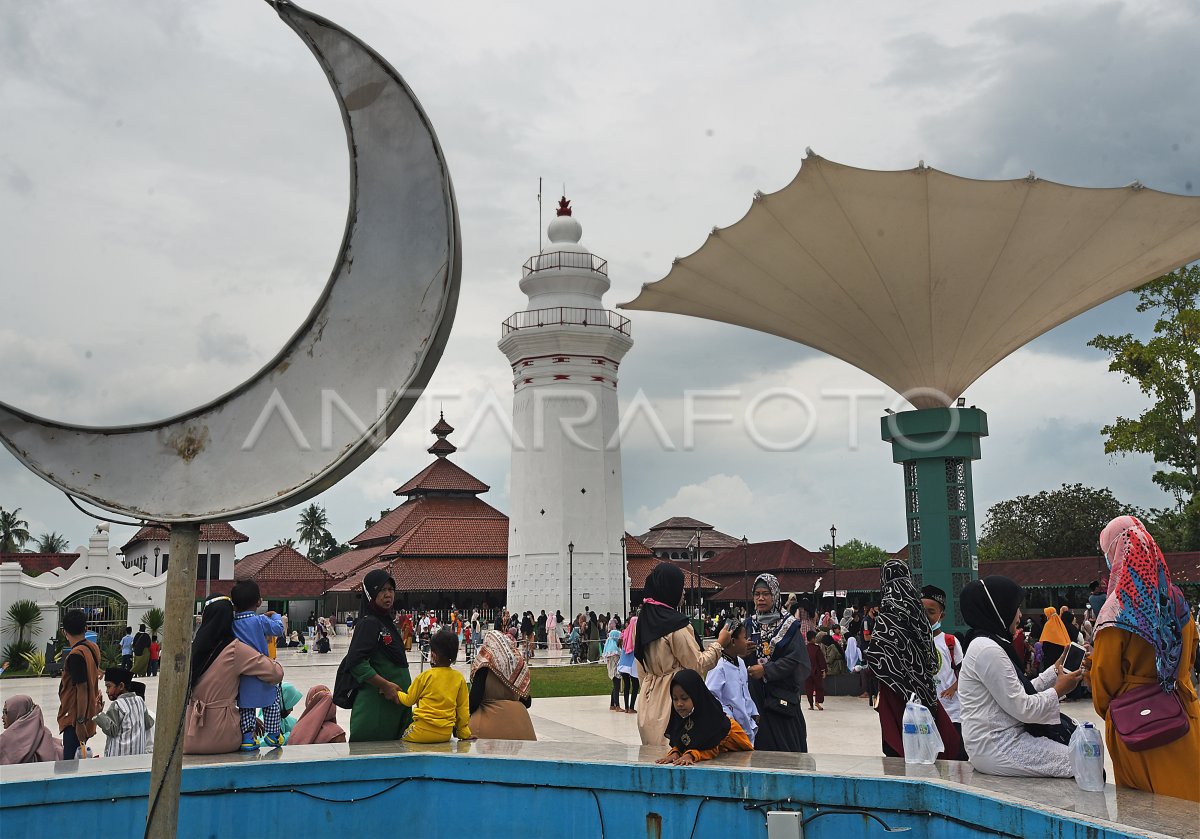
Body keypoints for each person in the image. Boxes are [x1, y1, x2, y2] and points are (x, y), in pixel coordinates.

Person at [1091, 515, 1199, 801]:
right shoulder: (1174, 600)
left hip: (1137, 726)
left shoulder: (1116, 612)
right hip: (1182, 714)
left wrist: (1115, 713)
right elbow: (1189, 656)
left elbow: (1104, 682)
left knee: (1144, 817)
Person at [958, 576, 1084, 777]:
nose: (1019, 615)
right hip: (998, 744)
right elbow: (1023, 707)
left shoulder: (989, 643)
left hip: (1004, 738)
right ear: (998, 609)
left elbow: (1020, 690)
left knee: (1084, 741)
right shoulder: (987, 649)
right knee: (1084, 760)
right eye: (1015, 607)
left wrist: (1055, 669)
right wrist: (1060, 689)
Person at [864, 561, 962, 761]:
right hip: (924, 695)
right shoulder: (920, 618)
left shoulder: (887, 617)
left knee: (900, 748)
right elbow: (932, 664)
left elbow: (875, 660)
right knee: (928, 744)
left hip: (894, 695)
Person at [634, 563, 731, 746]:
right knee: (677, 755)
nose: (683, 592)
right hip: (675, 699)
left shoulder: (643, 621)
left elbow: (641, 668)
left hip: (648, 701)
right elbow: (697, 664)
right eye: (680, 587)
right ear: (669, 589)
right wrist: (719, 644)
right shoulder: (675, 626)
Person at [185, 596, 284, 755]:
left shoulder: (194, 648)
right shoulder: (234, 650)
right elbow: (275, 673)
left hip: (189, 735)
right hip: (222, 737)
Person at [338, 570, 413, 743]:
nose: (388, 594)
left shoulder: (385, 622)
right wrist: (385, 685)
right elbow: (356, 663)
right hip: (377, 706)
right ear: (370, 593)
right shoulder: (368, 622)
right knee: (371, 761)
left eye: (391, 589)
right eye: (381, 590)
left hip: (395, 704)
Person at [746, 573, 808, 752]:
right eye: (757, 594)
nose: (761, 598)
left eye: (766, 594)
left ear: (775, 595)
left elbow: (795, 659)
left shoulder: (789, 626)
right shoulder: (750, 624)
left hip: (782, 699)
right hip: (756, 697)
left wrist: (766, 670)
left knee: (787, 749)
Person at [230, 580, 287, 751]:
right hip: (263, 671)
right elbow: (278, 629)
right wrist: (276, 615)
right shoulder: (260, 620)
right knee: (272, 702)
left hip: (244, 674)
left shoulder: (232, 623)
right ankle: (273, 734)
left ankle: (248, 737)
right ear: (259, 602)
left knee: (246, 707)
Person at [654, 669, 753, 765]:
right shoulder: (685, 718)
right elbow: (683, 743)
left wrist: (690, 755)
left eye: (684, 698)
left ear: (696, 696)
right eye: (675, 699)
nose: (679, 703)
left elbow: (711, 747)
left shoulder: (714, 720)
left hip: (739, 762)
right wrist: (675, 753)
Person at [397, 629, 471, 743]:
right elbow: (463, 709)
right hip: (445, 734)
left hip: (420, 731)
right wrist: (464, 733)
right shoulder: (459, 678)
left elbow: (408, 700)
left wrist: (395, 693)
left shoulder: (425, 676)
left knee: (400, 738)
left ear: (433, 654)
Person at [921, 584, 966, 755]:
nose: (925, 617)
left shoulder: (950, 642)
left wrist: (953, 688)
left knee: (954, 757)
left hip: (952, 713)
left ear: (942, 615)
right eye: (921, 611)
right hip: (925, 715)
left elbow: (965, 673)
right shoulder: (913, 643)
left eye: (931, 612)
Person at [468, 629, 536, 741]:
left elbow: (474, 701)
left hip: (487, 727)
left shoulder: (484, 667)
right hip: (520, 726)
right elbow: (527, 702)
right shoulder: (518, 667)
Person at [57, 609, 101, 759]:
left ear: (64, 632)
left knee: (69, 764)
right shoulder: (92, 648)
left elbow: (81, 688)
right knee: (78, 758)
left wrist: (80, 722)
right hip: (88, 711)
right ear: (86, 628)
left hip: (75, 718)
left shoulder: (76, 655)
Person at [705, 620, 758, 743]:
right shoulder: (718, 666)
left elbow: (745, 691)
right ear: (733, 641)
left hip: (746, 725)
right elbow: (712, 697)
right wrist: (729, 719)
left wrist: (753, 710)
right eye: (744, 638)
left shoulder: (740, 662)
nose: (747, 641)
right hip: (731, 730)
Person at [94, 666, 153, 756]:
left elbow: (111, 730)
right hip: (137, 757)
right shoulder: (140, 700)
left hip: (118, 758)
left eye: (109, 686)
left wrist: (99, 713)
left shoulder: (117, 705)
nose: (107, 691)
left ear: (121, 686)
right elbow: (148, 723)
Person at [0, 695, 62, 764]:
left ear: (19, 712)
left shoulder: (7, 739)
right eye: (3, 712)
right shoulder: (44, 734)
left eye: (6, 712)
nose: (2, 717)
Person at [617, 615, 640, 714]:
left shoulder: (625, 632)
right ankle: (631, 707)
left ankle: (626, 707)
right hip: (632, 664)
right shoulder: (637, 634)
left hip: (623, 663)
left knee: (626, 685)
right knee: (635, 685)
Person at [1039, 606, 1070, 674]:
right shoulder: (1060, 624)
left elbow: (1044, 643)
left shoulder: (1048, 625)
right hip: (1059, 658)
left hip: (1049, 658)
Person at [804, 631, 826, 711]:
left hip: (807, 671)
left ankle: (811, 705)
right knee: (818, 687)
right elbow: (821, 660)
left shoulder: (805, 648)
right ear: (813, 638)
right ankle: (817, 702)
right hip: (816, 671)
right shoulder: (817, 648)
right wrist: (823, 670)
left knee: (808, 688)